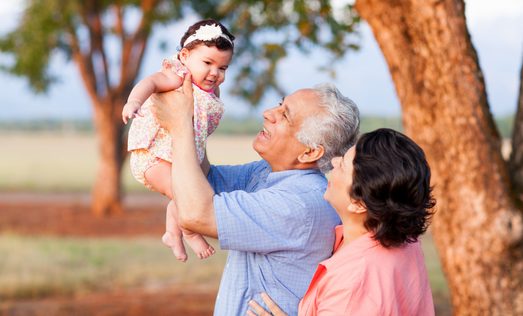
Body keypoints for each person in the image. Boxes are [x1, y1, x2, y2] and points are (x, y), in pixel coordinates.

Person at [150, 76, 360, 315]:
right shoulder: (267, 172)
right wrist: (198, 118)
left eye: (285, 115)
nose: (268, 113)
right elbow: (201, 181)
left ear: (310, 152)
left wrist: (180, 127)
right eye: (280, 104)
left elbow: (195, 214)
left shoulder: (299, 203)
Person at [247, 128, 436, 316]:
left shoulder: (350, 285)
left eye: (343, 165)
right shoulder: (406, 239)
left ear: (358, 203)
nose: (334, 161)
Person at [122, 19, 235, 262]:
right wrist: (134, 101)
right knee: (186, 195)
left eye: (223, 68)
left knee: (196, 190)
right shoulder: (178, 76)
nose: (215, 72)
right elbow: (150, 82)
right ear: (184, 56)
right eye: (207, 63)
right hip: (154, 157)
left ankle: (172, 233)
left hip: (179, 156)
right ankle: (189, 233)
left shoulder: (210, 89)